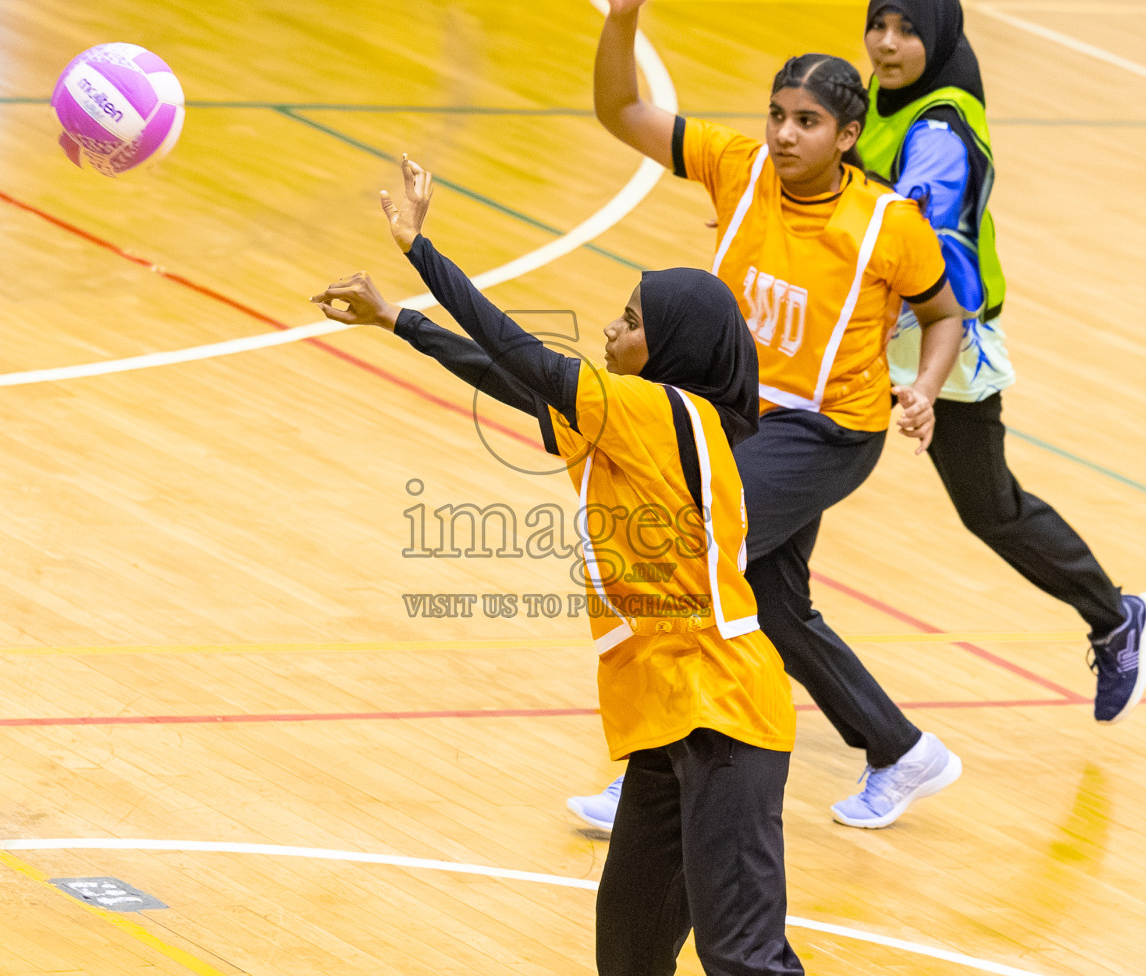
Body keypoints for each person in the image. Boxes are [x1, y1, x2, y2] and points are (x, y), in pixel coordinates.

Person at [316, 153, 804, 976]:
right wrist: (400, 321)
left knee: (744, 960)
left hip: (723, 716)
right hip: (667, 724)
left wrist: (421, 254)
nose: (612, 329)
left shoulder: (659, 410)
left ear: (675, 350)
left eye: (632, 321)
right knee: (631, 953)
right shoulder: (630, 422)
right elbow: (508, 381)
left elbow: (521, 354)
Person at [568, 0, 967, 833]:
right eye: (778, 116)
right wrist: (622, 16)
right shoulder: (736, 167)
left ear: (847, 136)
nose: (786, 135)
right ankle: (902, 751)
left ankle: (654, 779)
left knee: (688, 556)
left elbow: (947, 315)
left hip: (828, 431)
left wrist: (926, 390)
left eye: (809, 121)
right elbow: (620, 109)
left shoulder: (887, 226)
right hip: (740, 421)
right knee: (777, 607)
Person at [858, 0, 1146, 722]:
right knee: (796, 465)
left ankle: (1115, 616)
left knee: (990, 508)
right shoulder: (878, 99)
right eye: (880, 26)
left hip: (940, 337)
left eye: (907, 32)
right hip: (866, 331)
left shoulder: (938, 132)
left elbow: (898, 225)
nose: (888, 46)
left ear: (939, 37)